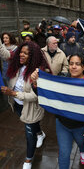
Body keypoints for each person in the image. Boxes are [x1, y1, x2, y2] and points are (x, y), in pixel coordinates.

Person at [31, 53, 84, 169]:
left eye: (77, 64)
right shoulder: (61, 80)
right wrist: (36, 83)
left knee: (81, 143)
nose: (74, 67)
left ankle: (82, 151)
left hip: (81, 126)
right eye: (71, 64)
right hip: (62, 124)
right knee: (64, 153)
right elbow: (46, 94)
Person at [0, 41, 51, 169]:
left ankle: (28, 161)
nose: (21, 55)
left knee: (29, 134)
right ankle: (40, 134)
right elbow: (5, 54)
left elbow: (35, 96)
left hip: (32, 108)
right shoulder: (16, 65)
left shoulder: (39, 72)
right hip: (17, 105)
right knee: (32, 125)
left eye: (26, 53)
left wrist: (12, 93)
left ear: (33, 56)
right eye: (21, 52)